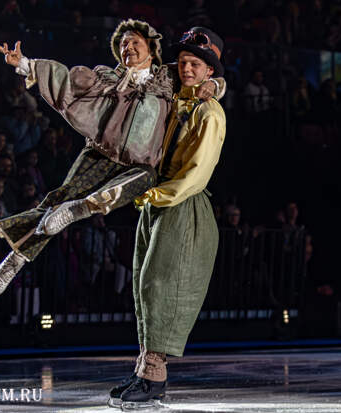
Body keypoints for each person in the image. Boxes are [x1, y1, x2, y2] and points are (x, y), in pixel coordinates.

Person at [0, 19, 224, 302]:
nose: (128, 47)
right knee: (57, 202)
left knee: (147, 176)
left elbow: (201, 77)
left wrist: (215, 84)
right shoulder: (107, 79)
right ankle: (15, 259)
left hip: (138, 164)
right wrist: (25, 64)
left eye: (135, 42)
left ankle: (81, 209)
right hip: (100, 154)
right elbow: (67, 80)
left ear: (151, 48)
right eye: (123, 43)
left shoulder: (168, 78)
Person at [109, 27, 226, 409]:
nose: (187, 69)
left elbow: (196, 174)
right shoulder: (177, 98)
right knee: (145, 286)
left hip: (181, 203)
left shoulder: (209, 112)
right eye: (184, 63)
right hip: (157, 202)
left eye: (196, 65)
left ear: (209, 71)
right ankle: (144, 369)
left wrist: (155, 196)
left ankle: (154, 377)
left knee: (161, 286)